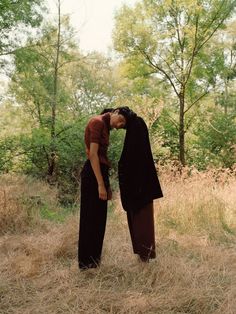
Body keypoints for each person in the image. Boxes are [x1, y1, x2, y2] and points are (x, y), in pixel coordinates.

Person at [78, 108, 127, 270]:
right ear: (116, 111)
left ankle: (94, 262)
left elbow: (103, 157)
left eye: (123, 125)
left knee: (99, 220)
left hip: (100, 173)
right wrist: (100, 184)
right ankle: (85, 264)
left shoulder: (106, 126)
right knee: (89, 218)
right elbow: (93, 155)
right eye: (121, 120)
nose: (120, 125)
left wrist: (107, 185)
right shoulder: (97, 122)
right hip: (92, 175)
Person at [118, 107, 163, 262]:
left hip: (140, 186)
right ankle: (142, 254)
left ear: (121, 113)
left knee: (143, 221)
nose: (118, 126)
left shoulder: (137, 124)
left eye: (121, 122)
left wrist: (135, 186)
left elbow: (136, 158)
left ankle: (145, 255)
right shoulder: (133, 126)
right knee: (137, 221)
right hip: (137, 185)